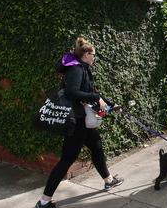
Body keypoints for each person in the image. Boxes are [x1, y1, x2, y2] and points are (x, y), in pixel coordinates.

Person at [36, 37, 124, 208]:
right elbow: (72, 92)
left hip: (83, 121)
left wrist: (112, 105)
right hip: (77, 122)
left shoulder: (83, 68)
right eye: (93, 55)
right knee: (67, 160)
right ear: (85, 54)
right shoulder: (76, 69)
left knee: (97, 147)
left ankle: (108, 180)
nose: (94, 58)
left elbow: (92, 92)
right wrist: (94, 97)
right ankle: (44, 202)